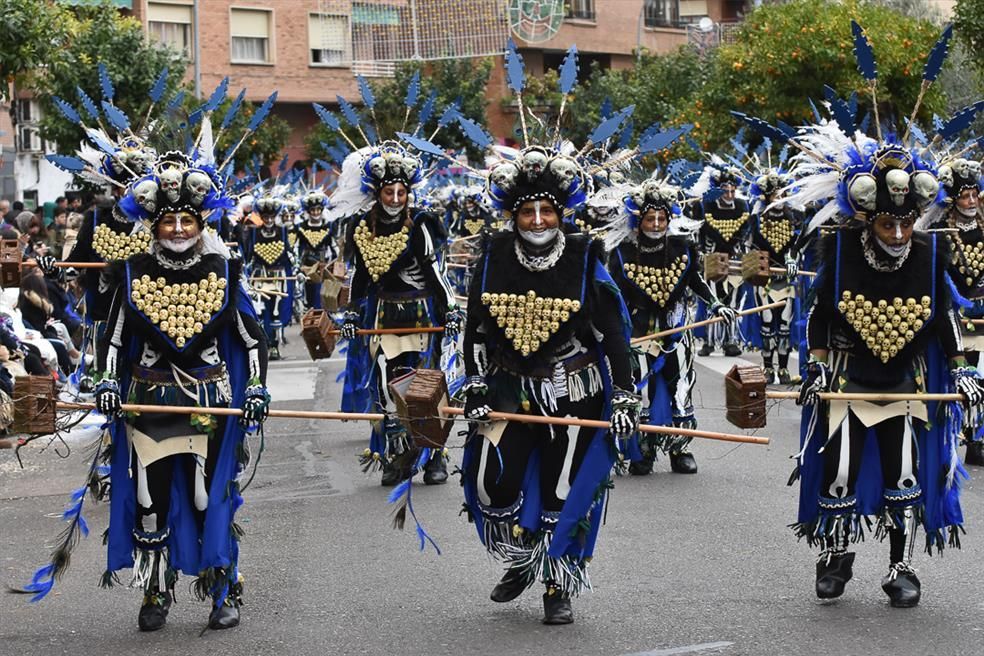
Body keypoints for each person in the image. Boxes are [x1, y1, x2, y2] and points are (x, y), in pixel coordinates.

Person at [460, 144, 638, 625]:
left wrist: (622, 393)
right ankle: (523, 556)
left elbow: (612, 334)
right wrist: (475, 385)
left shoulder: (584, 258)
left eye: (546, 210)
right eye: (527, 211)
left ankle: (557, 584)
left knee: (562, 490)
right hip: (509, 390)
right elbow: (476, 329)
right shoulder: (492, 257)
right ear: (512, 214)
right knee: (494, 482)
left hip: (574, 394)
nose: (537, 220)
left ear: (561, 213)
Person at [94, 151, 270, 632]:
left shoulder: (224, 269)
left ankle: (223, 587)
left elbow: (253, 338)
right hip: (147, 403)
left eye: (185, 219)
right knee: (151, 502)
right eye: (167, 219)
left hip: (206, 403)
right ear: (153, 224)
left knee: (203, 497)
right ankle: (156, 589)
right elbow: (110, 337)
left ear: (200, 221)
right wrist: (106, 380)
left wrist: (255, 388)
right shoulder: (133, 272)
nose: (176, 228)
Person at [336, 144, 460, 487]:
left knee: (426, 386)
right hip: (382, 317)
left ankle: (435, 456)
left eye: (400, 192)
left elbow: (435, 272)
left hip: (422, 314)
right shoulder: (362, 227)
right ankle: (398, 456)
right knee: (392, 387)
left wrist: (450, 308)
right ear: (376, 193)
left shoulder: (420, 224)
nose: (394, 198)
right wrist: (349, 313)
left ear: (409, 192)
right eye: (388, 192)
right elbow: (359, 275)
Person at [608, 177, 737, 475]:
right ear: (638, 221)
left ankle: (680, 449)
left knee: (679, 388)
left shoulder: (683, 247)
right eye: (649, 218)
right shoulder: (621, 252)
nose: (655, 224)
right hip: (638, 332)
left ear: (670, 218)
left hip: (676, 328)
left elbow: (695, 280)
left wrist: (716, 304)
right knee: (637, 390)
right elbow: (613, 293)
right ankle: (642, 450)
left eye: (661, 218)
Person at [923, 158, 984, 465]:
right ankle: (962, 434)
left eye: (974, 194)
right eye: (964, 195)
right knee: (965, 373)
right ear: (953, 198)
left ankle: (978, 439)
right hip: (956, 312)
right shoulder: (938, 230)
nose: (971, 201)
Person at [745, 169, 803, 384]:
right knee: (767, 324)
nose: (779, 200)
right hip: (765, 278)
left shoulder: (794, 217)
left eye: (782, 196)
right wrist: (757, 260)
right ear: (766, 197)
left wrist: (792, 258)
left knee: (785, 325)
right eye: (776, 196)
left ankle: (785, 368)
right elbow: (750, 245)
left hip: (786, 279)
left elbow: (796, 244)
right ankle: (769, 368)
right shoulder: (756, 218)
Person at [694, 166, 751, 357]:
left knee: (732, 298)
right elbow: (702, 230)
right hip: (712, 256)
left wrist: (739, 249)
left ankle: (730, 340)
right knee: (713, 297)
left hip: (734, 257)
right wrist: (702, 251)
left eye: (732, 191)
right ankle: (709, 341)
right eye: (725, 190)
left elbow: (745, 231)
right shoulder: (707, 205)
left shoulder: (743, 206)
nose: (729, 194)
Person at [244, 193, 294, 361]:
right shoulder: (253, 233)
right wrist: (246, 273)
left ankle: (274, 345)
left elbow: (289, 254)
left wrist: (297, 269)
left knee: (276, 312)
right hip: (260, 277)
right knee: (262, 311)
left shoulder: (283, 231)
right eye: (266, 217)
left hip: (278, 277)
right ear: (262, 217)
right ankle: (264, 343)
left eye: (272, 216)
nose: (269, 220)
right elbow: (249, 257)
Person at [296, 189, 336, 310]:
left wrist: (335, 265)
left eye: (318, 209)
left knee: (322, 297)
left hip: (323, 266)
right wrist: (298, 267)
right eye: (312, 210)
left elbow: (333, 248)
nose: (315, 212)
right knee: (309, 296)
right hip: (307, 267)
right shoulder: (301, 228)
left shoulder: (328, 227)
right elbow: (297, 248)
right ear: (308, 211)